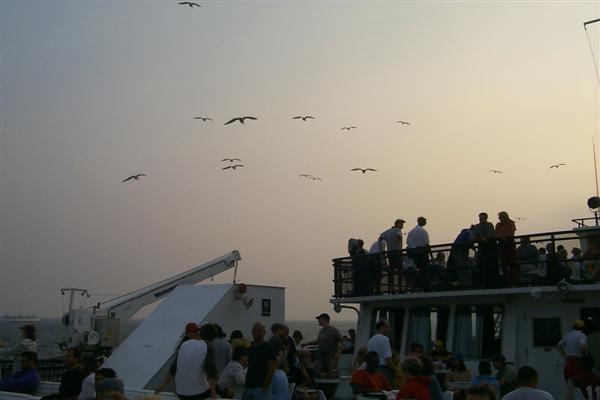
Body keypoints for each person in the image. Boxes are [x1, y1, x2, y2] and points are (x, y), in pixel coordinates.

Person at [155, 322, 202, 395]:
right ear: (187, 333)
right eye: (193, 332)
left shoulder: (186, 346)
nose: (195, 334)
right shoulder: (186, 348)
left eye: (196, 332)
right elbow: (174, 368)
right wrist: (163, 386)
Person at [174, 323, 217, 400]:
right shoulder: (208, 346)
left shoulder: (184, 344)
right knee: (218, 389)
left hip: (180, 393)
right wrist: (214, 395)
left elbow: (175, 368)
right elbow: (211, 372)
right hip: (196, 394)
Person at [243, 322, 277, 400]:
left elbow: (271, 369)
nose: (257, 332)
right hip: (248, 388)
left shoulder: (268, 348)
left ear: (264, 332)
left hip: (260, 389)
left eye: (259, 330)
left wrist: (264, 387)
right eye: (255, 330)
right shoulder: (250, 348)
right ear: (252, 332)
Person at [378, 218, 406, 294]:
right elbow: (398, 237)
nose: (403, 225)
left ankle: (392, 289)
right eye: (402, 223)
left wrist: (382, 249)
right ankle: (400, 289)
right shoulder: (398, 230)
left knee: (392, 272)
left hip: (390, 253)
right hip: (397, 253)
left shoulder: (388, 231)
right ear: (397, 224)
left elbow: (380, 238)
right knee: (400, 271)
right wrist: (395, 245)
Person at [473, 212, 498, 288]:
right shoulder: (476, 226)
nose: (481, 219)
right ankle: (483, 283)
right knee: (481, 266)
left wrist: (482, 237)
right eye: (480, 218)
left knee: (491, 266)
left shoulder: (489, 225)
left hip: (490, 249)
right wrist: (481, 238)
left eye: (482, 218)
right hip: (482, 250)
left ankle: (492, 283)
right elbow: (474, 238)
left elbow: (490, 235)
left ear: (486, 218)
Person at [406, 217, 432, 291]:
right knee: (424, 271)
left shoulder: (411, 232)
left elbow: (408, 244)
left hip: (412, 253)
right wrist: (431, 256)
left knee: (416, 272)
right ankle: (426, 288)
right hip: (421, 253)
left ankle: (415, 288)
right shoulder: (423, 231)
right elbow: (427, 244)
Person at [495, 211, 518, 285]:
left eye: (500, 217)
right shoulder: (498, 225)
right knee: (503, 263)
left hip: (509, 243)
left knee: (512, 262)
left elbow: (511, 233)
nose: (499, 218)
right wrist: (501, 237)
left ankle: (514, 281)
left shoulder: (511, 223)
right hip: (502, 244)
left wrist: (501, 236)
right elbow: (495, 234)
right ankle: (507, 280)